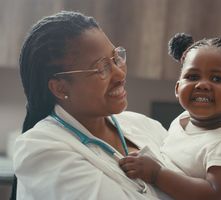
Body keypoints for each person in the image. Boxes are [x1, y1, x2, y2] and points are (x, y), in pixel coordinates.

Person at [12, 10, 172, 200]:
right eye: (102, 67)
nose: (120, 75)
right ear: (60, 87)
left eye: (116, 58)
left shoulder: (145, 125)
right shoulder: (40, 149)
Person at [119, 33, 221, 200]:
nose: (202, 84)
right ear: (178, 88)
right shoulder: (182, 120)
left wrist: (156, 174)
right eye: (192, 77)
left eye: (217, 78)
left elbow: (213, 194)